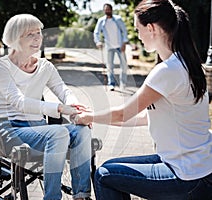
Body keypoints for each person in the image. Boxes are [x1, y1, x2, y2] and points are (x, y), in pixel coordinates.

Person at [75, 0, 212, 199]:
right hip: (198, 167)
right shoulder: (185, 64)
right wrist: (93, 117)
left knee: (105, 175)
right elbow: (148, 117)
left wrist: (88, 117)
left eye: (138, 29)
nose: (137, 36)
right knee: (109, 167)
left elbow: (123, 113)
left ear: (151, 28)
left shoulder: (167, 71)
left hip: (189, 176)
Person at [0, 14, 92, 200]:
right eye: (30, 34)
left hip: (38, 127)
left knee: (82, 130)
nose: (37, 38)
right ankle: (52, 198)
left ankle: (82, 195)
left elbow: (63, 90)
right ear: (15, 37)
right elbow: (18, 102)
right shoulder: (1, 66)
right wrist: (60, 109)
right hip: (10, 129)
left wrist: (76, 108)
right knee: (59, 133)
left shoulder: (45, 66)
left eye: (39, 33)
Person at [93, 3, 129, 91]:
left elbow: (124, 31)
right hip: (109, 47)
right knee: (109, 66)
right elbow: (96, 32)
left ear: (111, 10)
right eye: (105, 10)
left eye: (108, 9)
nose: (107, 11)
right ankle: (111, 84)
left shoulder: (118, 19)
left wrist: (124, 43)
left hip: (120, 46)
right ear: (103, 11)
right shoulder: (101, 21)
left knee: (124, 66)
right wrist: (98, 42)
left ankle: (123, 83)